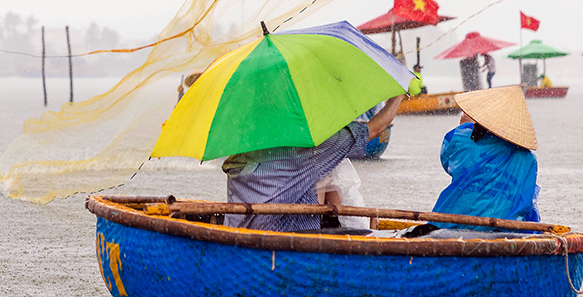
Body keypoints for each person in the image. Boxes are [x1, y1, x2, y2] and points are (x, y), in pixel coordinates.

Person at [223, 94, 404, 232]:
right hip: (287, 237)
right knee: (330, 172)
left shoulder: (244, 145)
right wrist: (399, 95)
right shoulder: (310, 147)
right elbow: (377, 127)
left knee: (327, 173)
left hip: (238, 233)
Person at [431, 85, 540, 227]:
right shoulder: (528, 160)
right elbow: (525, 203)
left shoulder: (463, 139)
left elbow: (449, 161)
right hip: (506, 229)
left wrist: (465, 127)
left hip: (456, 223)